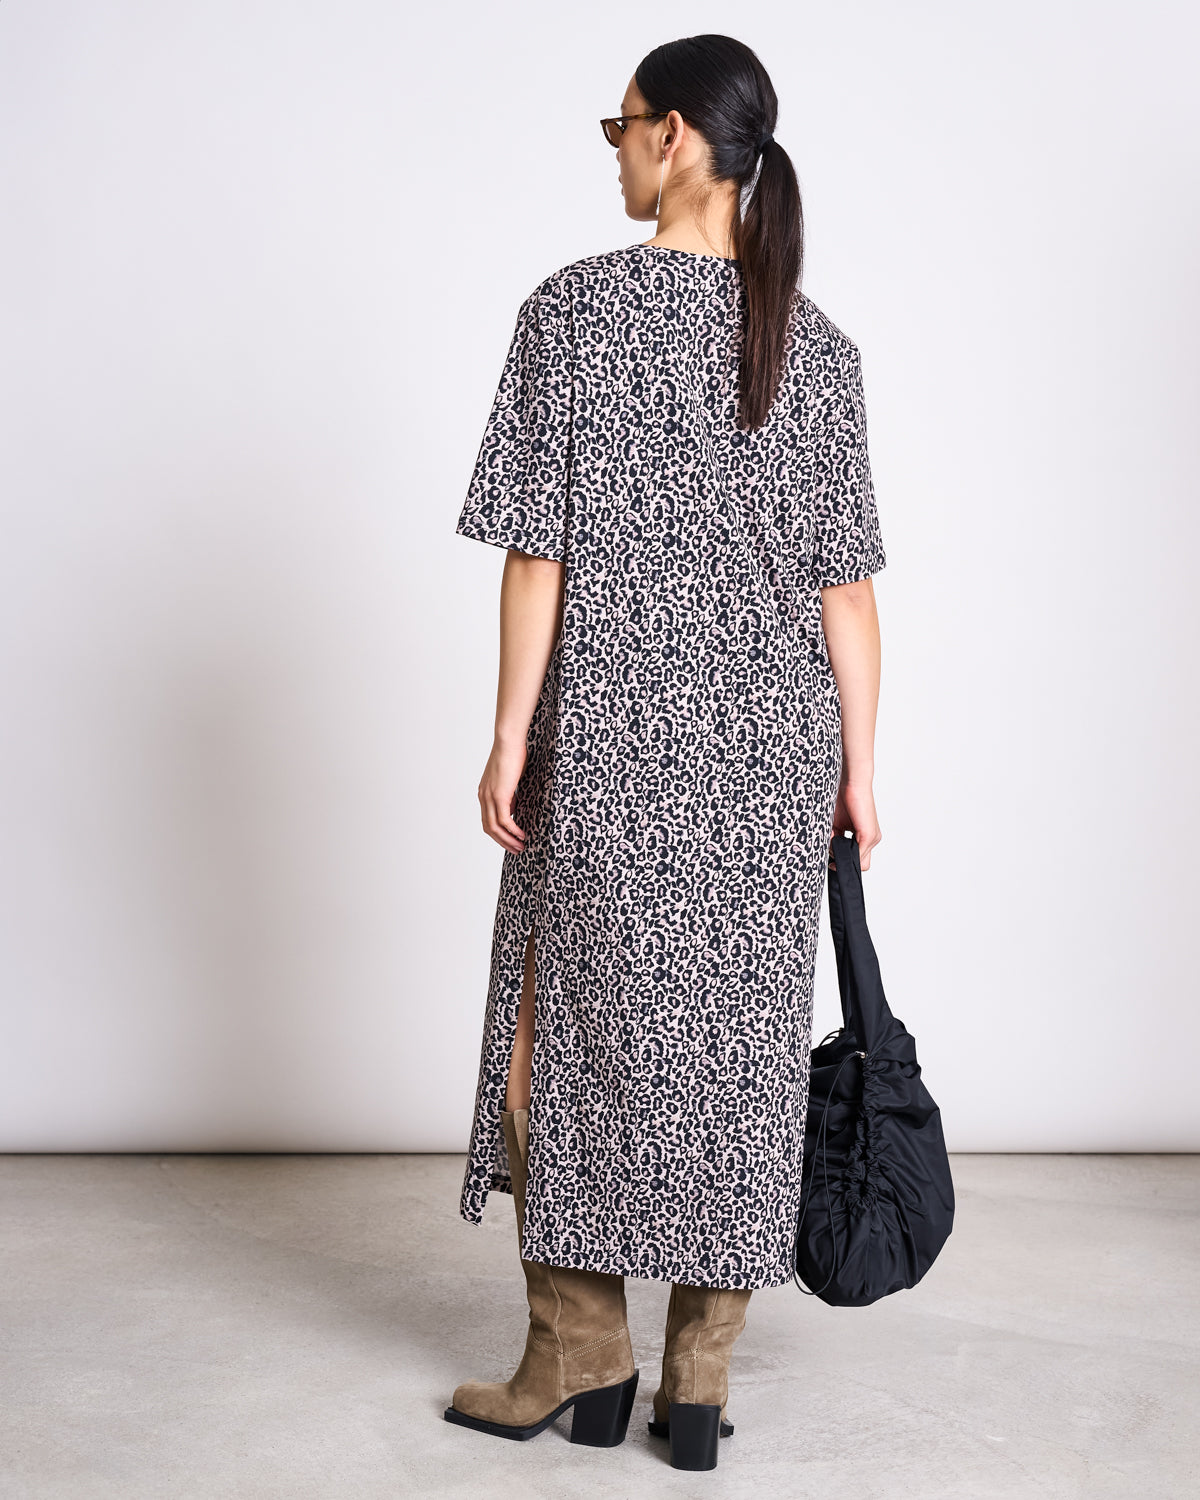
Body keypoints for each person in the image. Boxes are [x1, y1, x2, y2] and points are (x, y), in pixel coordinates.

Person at [443, 33, 886, 1472]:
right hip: (772, 757)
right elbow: (848, 593)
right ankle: (694, 1387)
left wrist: (510, 734)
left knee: (557, 1034)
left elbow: (537, 556)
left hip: (619, 737)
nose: (615, 150)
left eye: (621, 126)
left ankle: (580, 1355)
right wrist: (859, 769)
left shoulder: (573, 313)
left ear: (679, 136)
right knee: (737, 1059)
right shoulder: (816, 347)